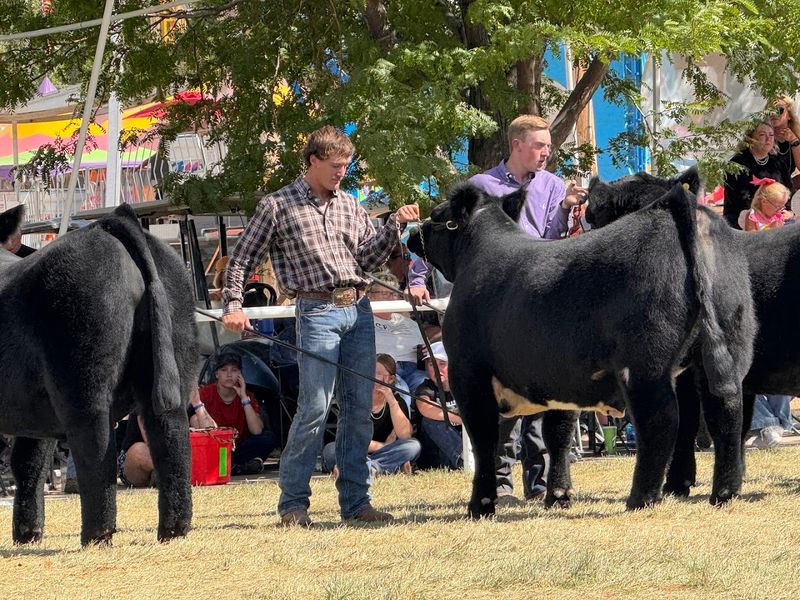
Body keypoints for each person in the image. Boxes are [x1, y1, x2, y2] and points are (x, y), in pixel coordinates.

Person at [221, 125, 419, 527]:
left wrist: (393, 226)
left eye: (346, 166)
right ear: (313, 160)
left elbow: (368, 259)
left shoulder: (350, 205)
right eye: (335, 165)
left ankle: (356, 502)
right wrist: (234, 304)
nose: (341, 173)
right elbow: (240, 259)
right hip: (316, 310)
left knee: (358, 409)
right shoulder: (277, 206)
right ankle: (293, 503)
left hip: (358, 308)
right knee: (314, 406)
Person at [409, 115, 585, 502]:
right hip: (496, 302)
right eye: (539, 145)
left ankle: (541, 483)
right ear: (517, 144)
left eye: (548, 146)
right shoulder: (480, 187)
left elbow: (554, 238)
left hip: (542, 296)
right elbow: (443, 235)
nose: (546, 152)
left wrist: (567, 210)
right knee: (500, 393)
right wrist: (418, 278)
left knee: (546, 389)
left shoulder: (554, 186)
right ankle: (501, 484)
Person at [322, 354, 421, 476]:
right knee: (331, 450)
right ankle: (384, 466)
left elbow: (405, 435)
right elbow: (352, 440)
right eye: (371, 373)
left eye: (380, 374)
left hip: (385, 452)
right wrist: (383, 446)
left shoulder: (397, 401)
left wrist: (391, 401)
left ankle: (369, 467)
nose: (375, 378)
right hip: (357, 450)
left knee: (413, 446)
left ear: (391, 379)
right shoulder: (354, 399)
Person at [197, 352, 279, 476]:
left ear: (240, 374)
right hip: (215, 447)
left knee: (269, 438)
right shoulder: (205, 394)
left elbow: (257, 430)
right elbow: (195, 424)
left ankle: (229, 466)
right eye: (224, 370)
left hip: (238, 449)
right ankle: (236, 466)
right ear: (217, 374)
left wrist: (244, 398)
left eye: (234, 370)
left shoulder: (248, 395)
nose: (229, 374)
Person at [723, 121, 796, 229]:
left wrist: (789, 211)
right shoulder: (738, 163)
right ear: (750, 139)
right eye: (762, 135)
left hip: (776, 215)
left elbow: (789, 189)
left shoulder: (778, 162)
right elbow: (740, 199)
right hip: (743, 218)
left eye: (771, 135)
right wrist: (764, 215)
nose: (768, 139)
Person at [368, 270, 427, 403]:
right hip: (385, 369)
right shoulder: (362, 322)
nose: (390, 297)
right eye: (385, 293)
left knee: (428, 390)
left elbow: (427, 348)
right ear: (370, 296)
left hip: (414, 368)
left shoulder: (409, 322)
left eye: (393, 293)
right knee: (401, 392)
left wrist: (426, 350)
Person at [414, 341, 464, 470]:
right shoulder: (425, 388)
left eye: (442, 364)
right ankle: (463, 458)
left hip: (463, 442)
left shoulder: (464, 386)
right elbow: (425, 407)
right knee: (431, 420)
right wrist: (462, 419)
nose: (437, 369)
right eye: (432, 364)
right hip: (435, 454)